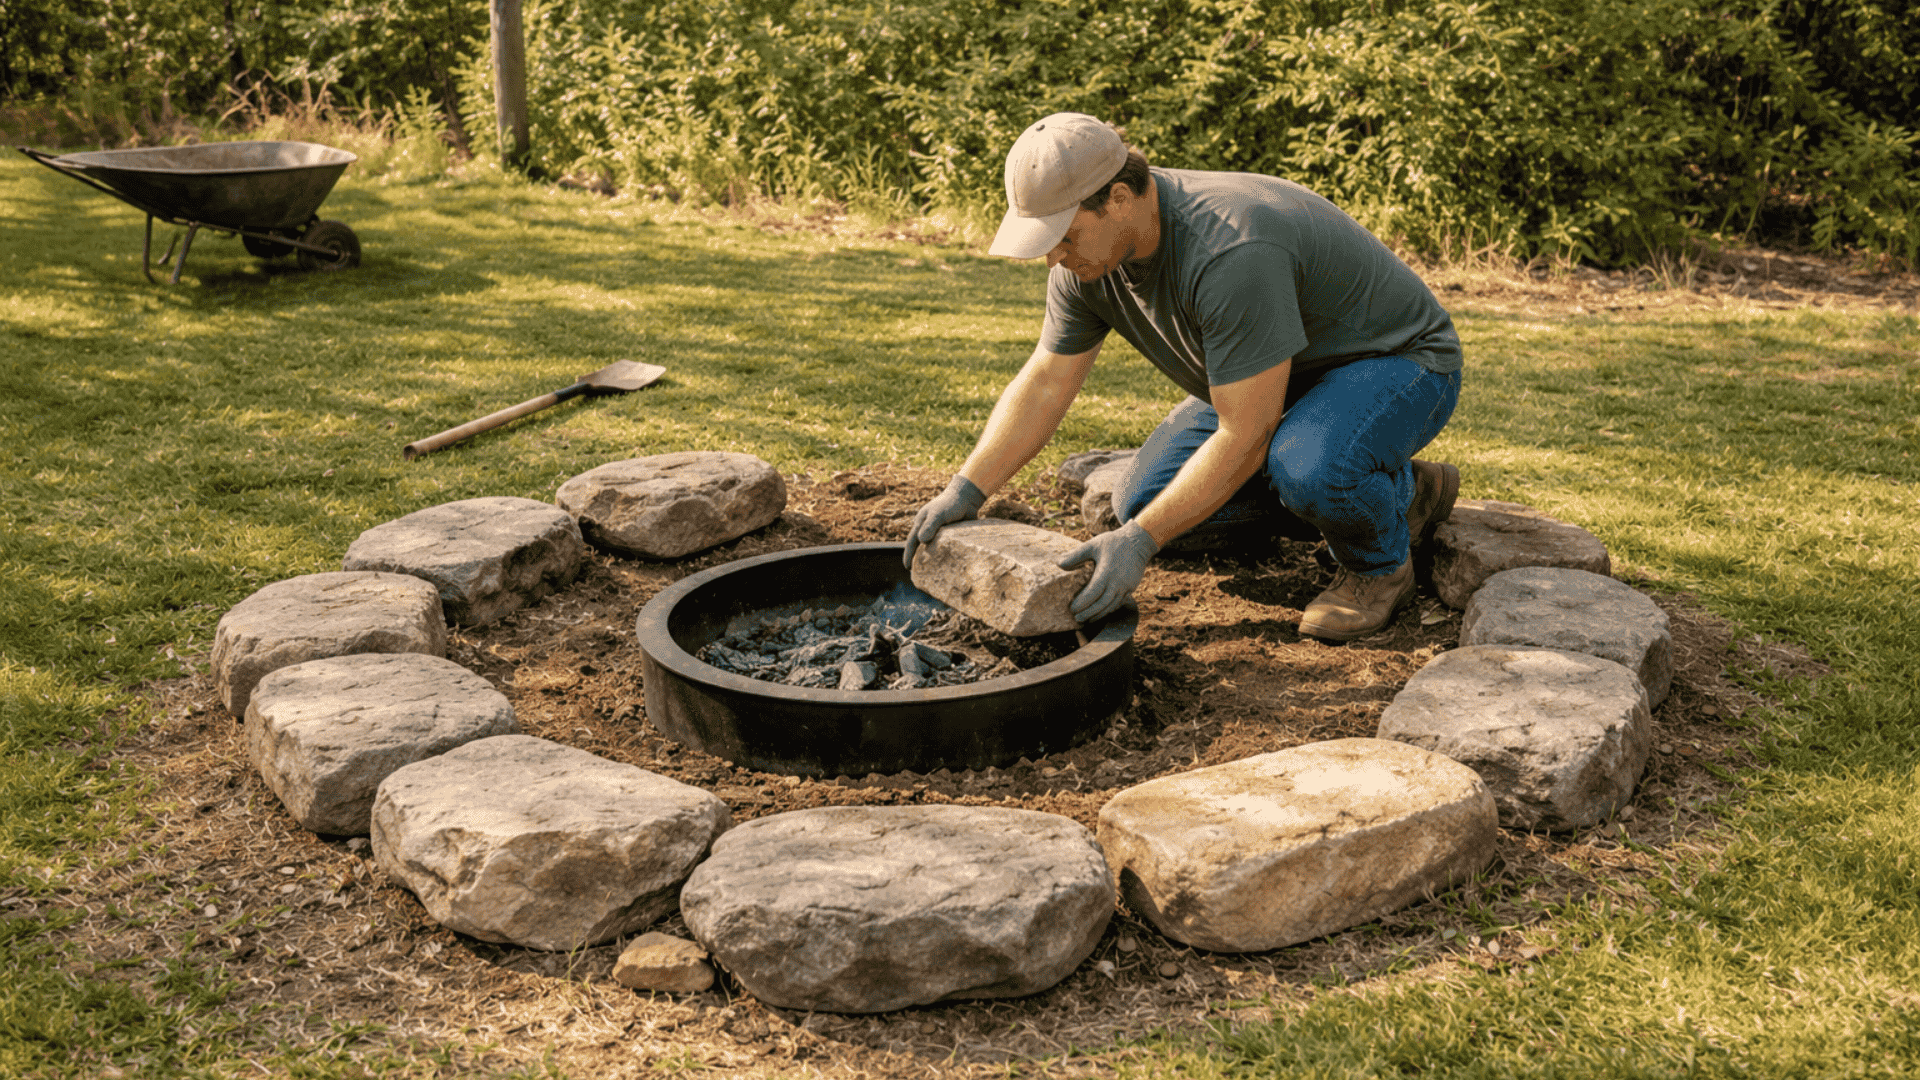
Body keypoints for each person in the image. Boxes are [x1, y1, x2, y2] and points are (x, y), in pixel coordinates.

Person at [903, 112, 1462, 641]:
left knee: (1306, 467)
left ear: (1119, 198)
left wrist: (1139, 544)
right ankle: (1391, 490)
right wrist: (966, 489)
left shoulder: (1229, 248)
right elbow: (1048, 380)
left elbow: (1245, 430)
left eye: (1065, 236)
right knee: (1143, 502)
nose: (1054, 258)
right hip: (1278, 377)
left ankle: (1378, 564)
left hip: (1398, 365)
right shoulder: (1086, 265)